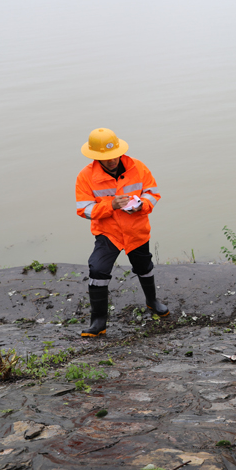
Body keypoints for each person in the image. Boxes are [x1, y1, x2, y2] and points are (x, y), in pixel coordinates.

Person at [75, 128, 168, 338]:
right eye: (105, 158)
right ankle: (98, 321)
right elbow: (84, 209)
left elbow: (153, 193)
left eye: (114, 155)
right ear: (96, 157)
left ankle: (152, 301)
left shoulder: (138, 167)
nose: (111, 160)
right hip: (109, 233)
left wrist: (141, 205)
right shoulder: (85, 176)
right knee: (97, 270)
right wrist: (111, 206)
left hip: (137, 230)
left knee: (144, 267)